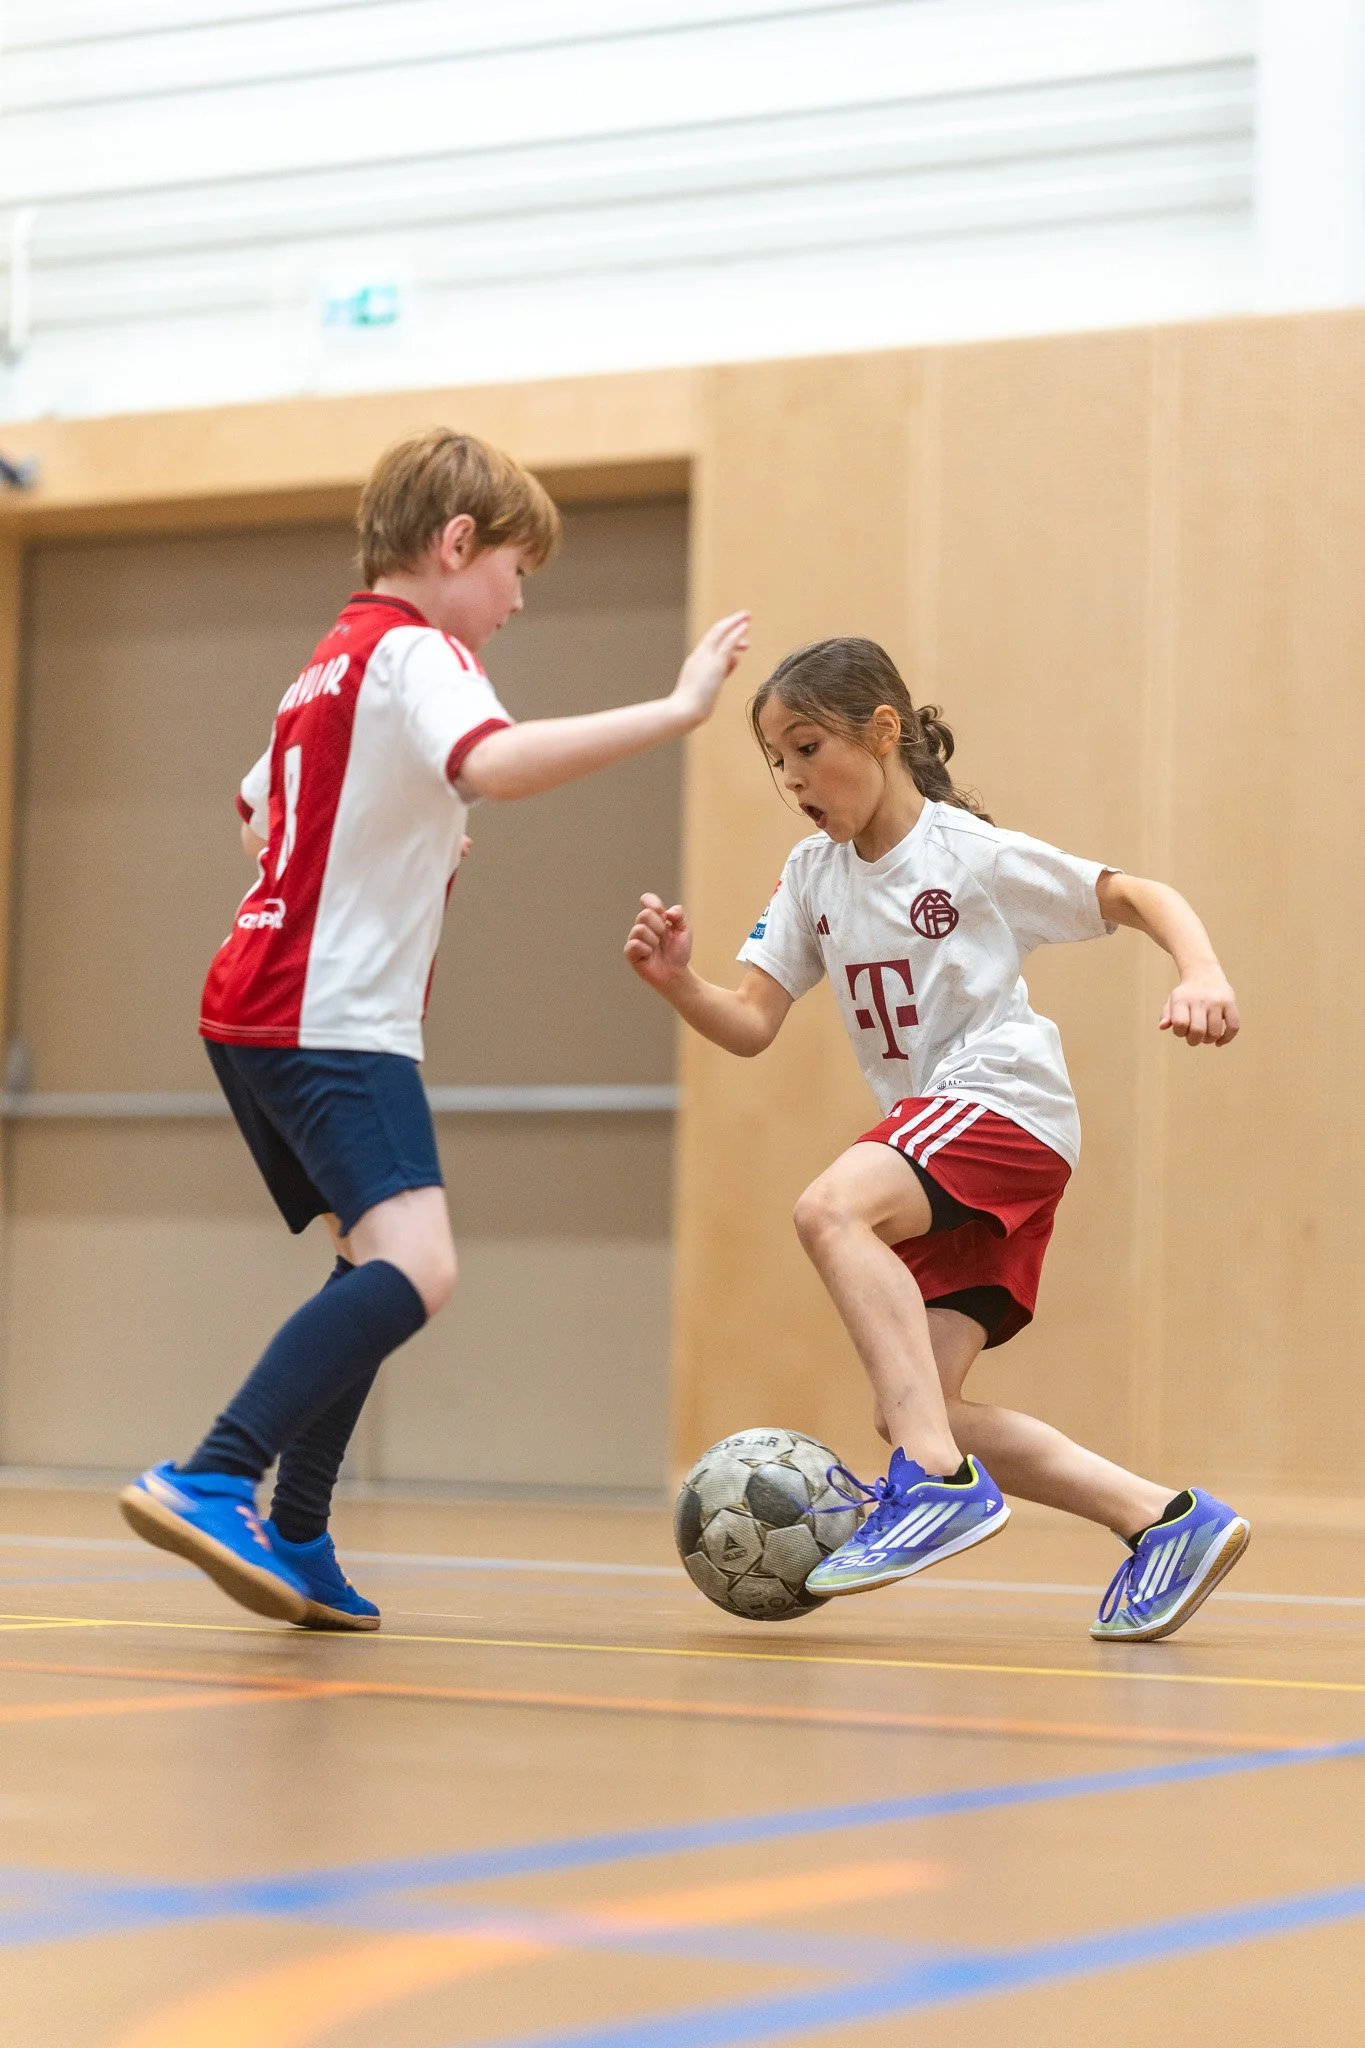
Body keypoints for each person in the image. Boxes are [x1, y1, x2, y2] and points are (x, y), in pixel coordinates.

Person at [121, 425, 750, 1630]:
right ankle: (214, 1470)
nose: (517, 601)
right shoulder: (417, 652)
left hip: (256, 998)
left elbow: (261, 809)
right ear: (456, 543)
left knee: (371, 1256)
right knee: (420, 1264)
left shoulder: (330, 659)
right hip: (329, 1013)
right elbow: (495, 765)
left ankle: (296, 1525)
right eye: (517, 569)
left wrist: (395, 828)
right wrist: (677, 710)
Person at [626, 635, 1249, 1643]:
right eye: (775, 759)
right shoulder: (813, 874)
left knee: (831, 1208)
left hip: (1003, 1104)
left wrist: (1202, 971)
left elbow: (1138, 894)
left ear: (883, 733)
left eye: (805, 746)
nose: (791, 777)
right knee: (925, 1401)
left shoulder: (966, 852)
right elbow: (750, 1018)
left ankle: (936, 1483)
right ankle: (1165, 1520)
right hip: (958, 1134)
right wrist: (678, 983)